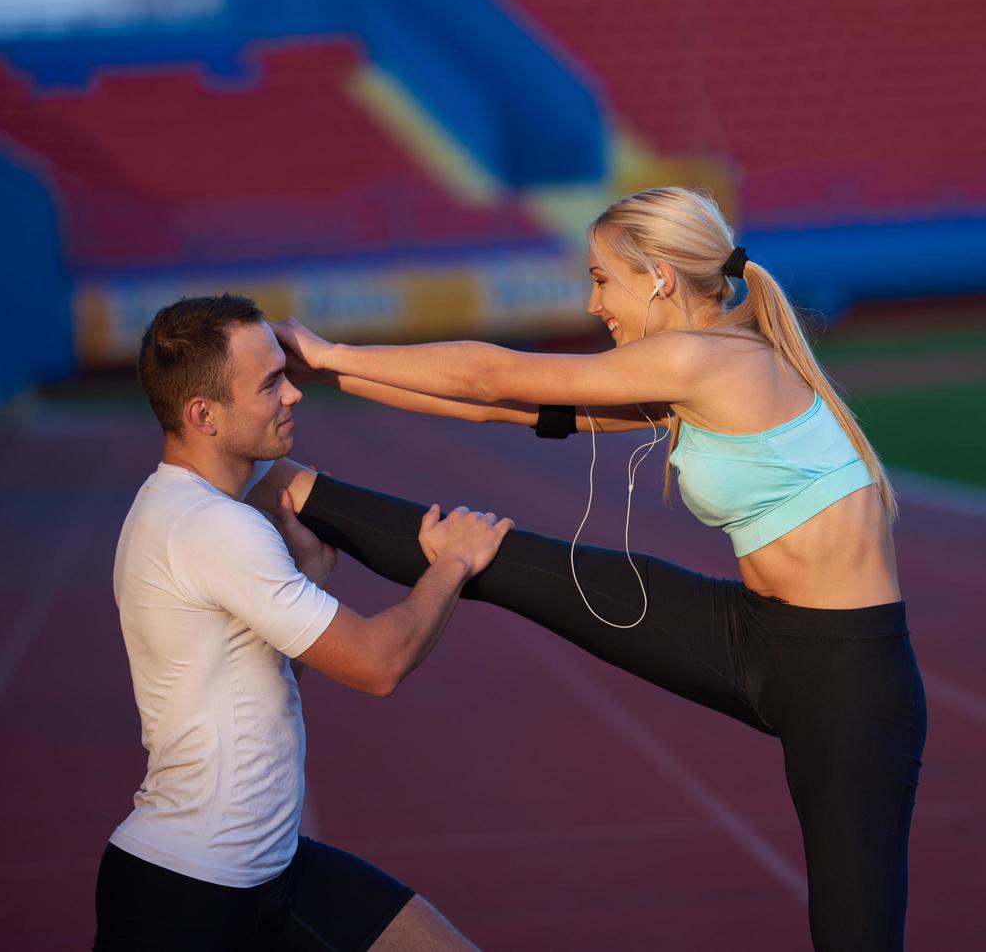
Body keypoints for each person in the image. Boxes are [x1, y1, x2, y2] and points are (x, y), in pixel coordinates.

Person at [265, 187, 928, 951]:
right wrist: (327, 377)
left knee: (853, 936)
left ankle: (292, 487)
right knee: (498, 560)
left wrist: (332, 352)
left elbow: (492, 377)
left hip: (846, 679)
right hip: (749, 633)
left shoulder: (705, 360)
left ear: (657, 277)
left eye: (600, 278)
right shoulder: (701, 366)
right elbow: (505, 410)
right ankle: (291, 489)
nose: (592, 302)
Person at [95, 294, 511, 951]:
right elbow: (378, 664)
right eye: (269, 384)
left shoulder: (190, 509)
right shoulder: (209, 525)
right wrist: (452, 562)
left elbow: (240, 678)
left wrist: (312, 578)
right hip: (184, 894)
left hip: (276, 869)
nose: (293, 395)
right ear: (202, 414)